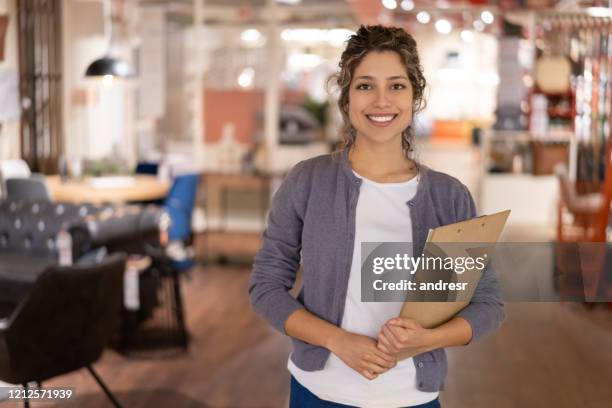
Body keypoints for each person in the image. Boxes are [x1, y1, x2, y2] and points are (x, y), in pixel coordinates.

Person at [249, 25, 504, 408]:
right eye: (366, 86)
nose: (381, 101)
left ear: (415, 96)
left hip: (410, 398)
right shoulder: (309, 181)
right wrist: (337, 341)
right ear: (347, 97)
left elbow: (487, 304)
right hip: (319, 392)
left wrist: (427, 340)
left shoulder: (449, 196)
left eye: (397, 86)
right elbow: (266, 287)